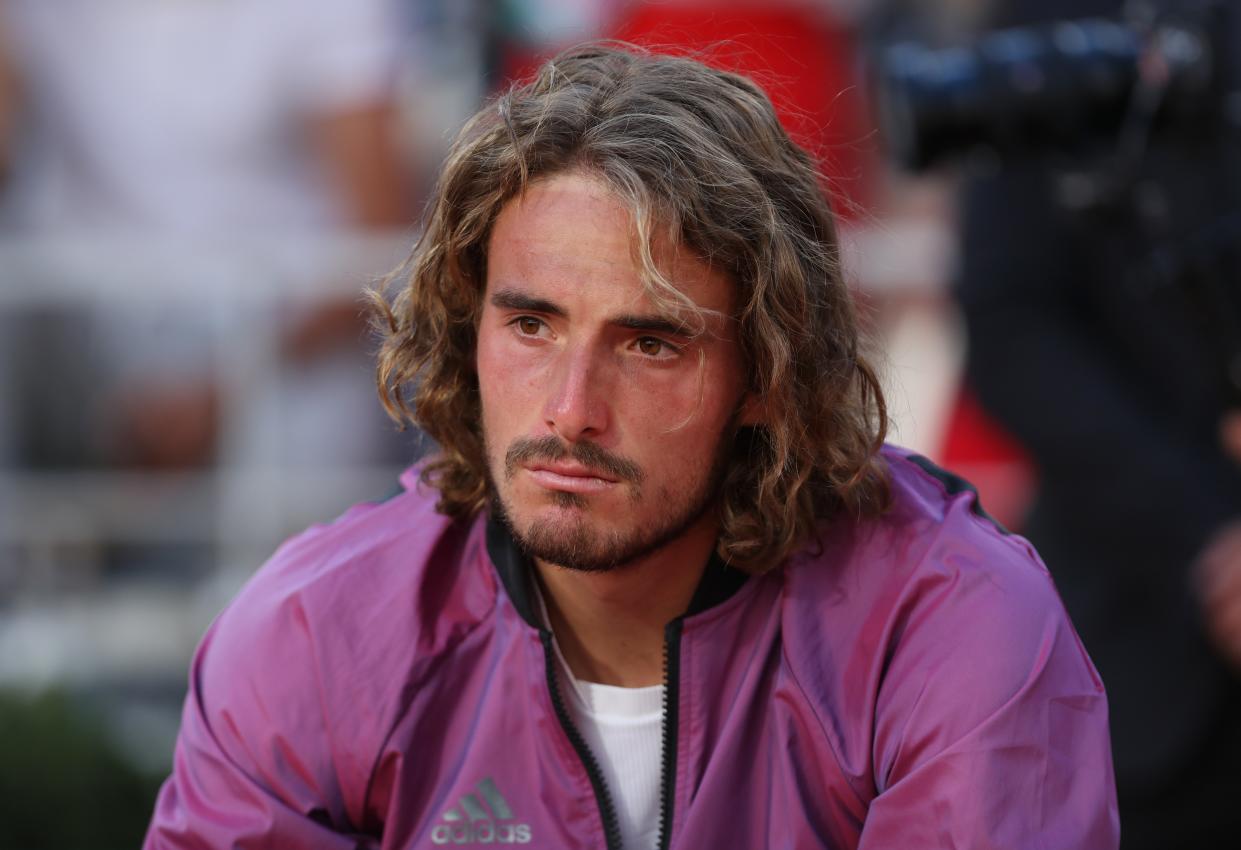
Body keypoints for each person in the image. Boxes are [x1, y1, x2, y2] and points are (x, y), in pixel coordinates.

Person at [145, 44, 1118, 849]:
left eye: (650, 342)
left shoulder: (945, 626)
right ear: (464, 325)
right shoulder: (315, 637)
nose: (570, 409)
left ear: (767, 370)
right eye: (530, 325)